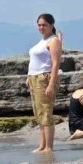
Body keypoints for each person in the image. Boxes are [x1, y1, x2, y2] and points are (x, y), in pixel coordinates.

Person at [26, 13, 63, 153]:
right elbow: (35, 61)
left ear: (51, 25)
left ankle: (49, 146)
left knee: (46, 112)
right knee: (39, 113)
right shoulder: (42, 41)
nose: (41, 27)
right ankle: (42, 145)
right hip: (34, 78)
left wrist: (51, 84)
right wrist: (28, 77)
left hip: (44, 78)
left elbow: (55, 64)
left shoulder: (53, 41)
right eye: (39, 25)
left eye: (44, 25)